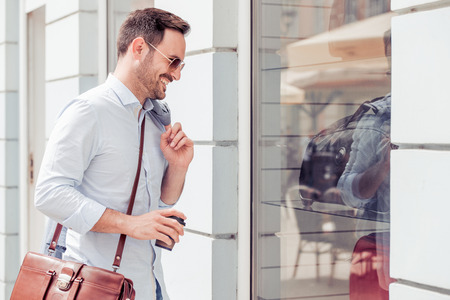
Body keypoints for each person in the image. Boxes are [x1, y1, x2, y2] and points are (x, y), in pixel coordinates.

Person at [34, 8, 193, 300]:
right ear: (139, 48)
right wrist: (131, 224)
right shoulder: (88, 111)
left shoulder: (155, 118)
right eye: (173, 62)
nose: (177, 74)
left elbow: (162, 201)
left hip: (148, 285)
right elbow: (49, 193)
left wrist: (178, 166)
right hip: (94, 286)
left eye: (182, 65)